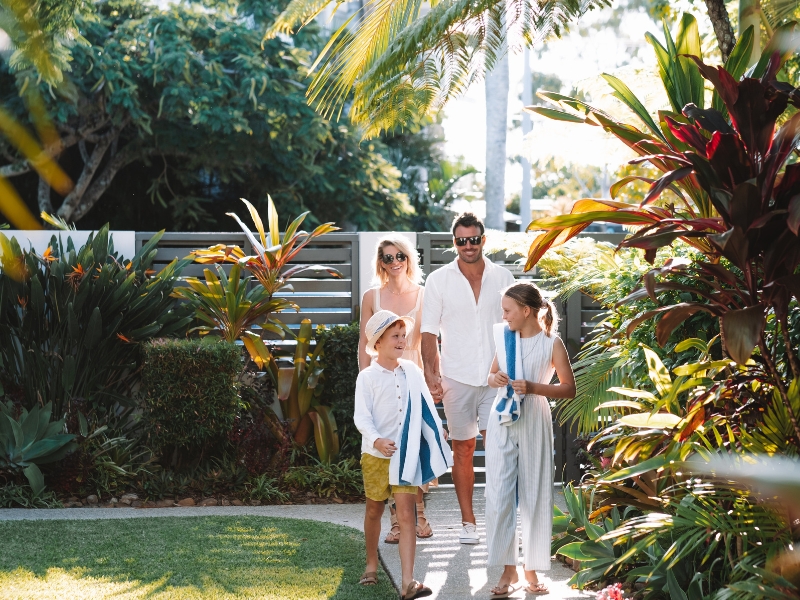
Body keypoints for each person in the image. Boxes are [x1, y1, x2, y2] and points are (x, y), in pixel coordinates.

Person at [420, 212, 515, 544]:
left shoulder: (504, 277)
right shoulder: (438, 280)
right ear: (454, 242)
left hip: (495, 378)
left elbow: (514, 328)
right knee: (463, 449)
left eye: (474, 239)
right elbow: (428, 333)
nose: (468, 245)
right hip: (456, 378)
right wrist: (432, 375)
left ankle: (499, 524)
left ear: (483, 240)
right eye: (462, 240)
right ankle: (468, 523)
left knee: (499, 450)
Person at [485, 282, 576, 598]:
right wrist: (494, 378)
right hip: (502, 420)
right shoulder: (504, 338)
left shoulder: (552, 344)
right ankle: (507, 567)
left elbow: (568, 388)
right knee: (498, 494)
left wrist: (535, 388)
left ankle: (531, 567)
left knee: (536, 492)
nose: (504, 316)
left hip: (535, 417)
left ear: (526, 311)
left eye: (508, 311)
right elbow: (492, 374)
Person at [354, 310, 452, 600]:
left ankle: (408, 581)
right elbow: (362, 417)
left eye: (402, 335)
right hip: (375, 455)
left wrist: (438, 430)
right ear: (378, 342)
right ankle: (371, 565)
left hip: (406, 453)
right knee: (375, 509)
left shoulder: (411, 370)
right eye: (394, 336)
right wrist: (377, 440)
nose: (401, 340)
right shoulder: (367, 377)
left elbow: (424, 405)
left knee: (407, 514)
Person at [358, 236, 435, 543]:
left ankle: (419, 516)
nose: (394, 262)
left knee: (416, 446)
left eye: (399, 256)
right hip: (382, 378)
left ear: (408, 259)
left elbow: (430, 341)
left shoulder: (424, 295)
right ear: (381, 263)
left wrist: (433, 377)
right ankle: (396, 521)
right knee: (389, 447)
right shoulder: (371, 296)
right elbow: (365, 344)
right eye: (387, 258)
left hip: (413, 375)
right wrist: (367, 379)